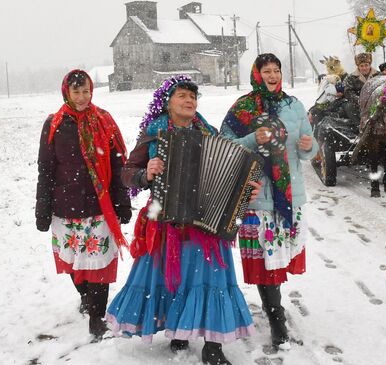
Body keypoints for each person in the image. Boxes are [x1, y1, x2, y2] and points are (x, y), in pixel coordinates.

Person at [106, 75, 259, 365]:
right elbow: (127, 173)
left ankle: (213, 347)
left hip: (206, 222)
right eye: (182, 96)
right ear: (168, 102)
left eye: (193, 97)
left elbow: (233, 173)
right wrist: (145, 173)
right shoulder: (154, 134)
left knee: (209, 280)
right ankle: (179, 331)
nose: (190, 101)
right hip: (166, 219)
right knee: (172, 279)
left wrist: (246, 190)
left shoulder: (210, 133)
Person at [220, 53, 319, 350]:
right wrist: (252, 139)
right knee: (266, 262)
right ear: (257, 74)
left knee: (278, 260)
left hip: (289, 195)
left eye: (277, 70)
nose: (273, 75)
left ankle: (274, 308)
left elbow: (309, 149)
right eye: (267, 71)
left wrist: (308, 145)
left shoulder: (294, 105)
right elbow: (225, 146)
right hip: (258, 196)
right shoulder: (243, 108)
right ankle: (276, 317)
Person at [35, 69, 131, 340]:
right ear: (67, 92)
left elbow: (117, 162)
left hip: (99, 205)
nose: (82, 97)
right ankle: (86, 297)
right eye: (76, 91)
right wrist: (42, 208)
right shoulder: (54, 124)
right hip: (65, 207)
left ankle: (97, 318)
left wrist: (122, 200)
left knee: (99, 263)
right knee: (74, 261)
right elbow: (46, 169)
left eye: (86, 91)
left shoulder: (103, 121)